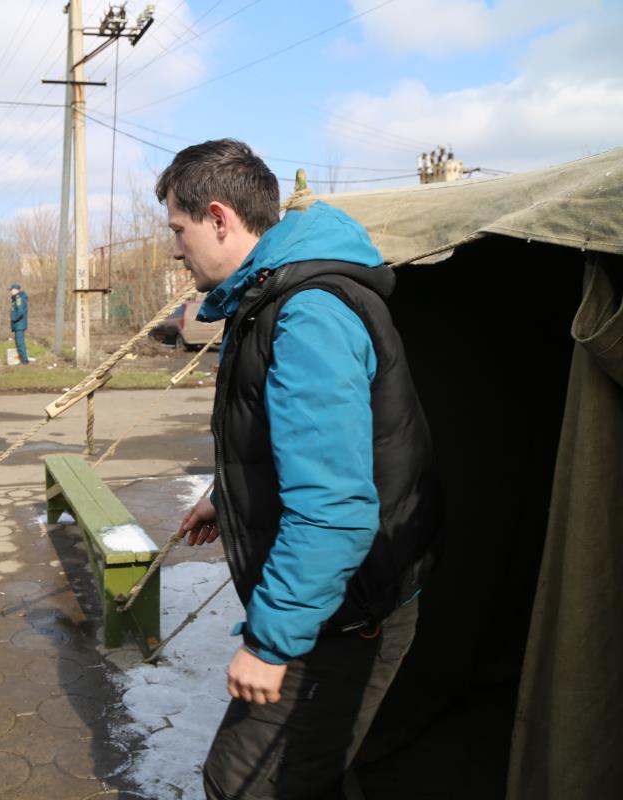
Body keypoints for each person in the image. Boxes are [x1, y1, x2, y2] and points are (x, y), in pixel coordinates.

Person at [163, 139, 443, 799]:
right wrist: (222, 496)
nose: (175, 248)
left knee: (242, 785)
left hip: (344, 609)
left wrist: (270, 642)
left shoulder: (307, 312)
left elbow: (336, 509)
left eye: (179, 229)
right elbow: (289, 438)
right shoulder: (266, 295)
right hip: (335, 597)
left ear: (220, 217)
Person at [9, 282, 29, 363]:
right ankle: (23, 359)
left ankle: (24, 360)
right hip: (18, 324)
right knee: (19, 342)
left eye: (11, 290)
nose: (10, 291)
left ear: (16, 290)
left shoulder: (18, 299)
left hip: (19, 324)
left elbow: (20, 312)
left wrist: (13, 318)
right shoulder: (16, 298)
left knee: (20, 342)